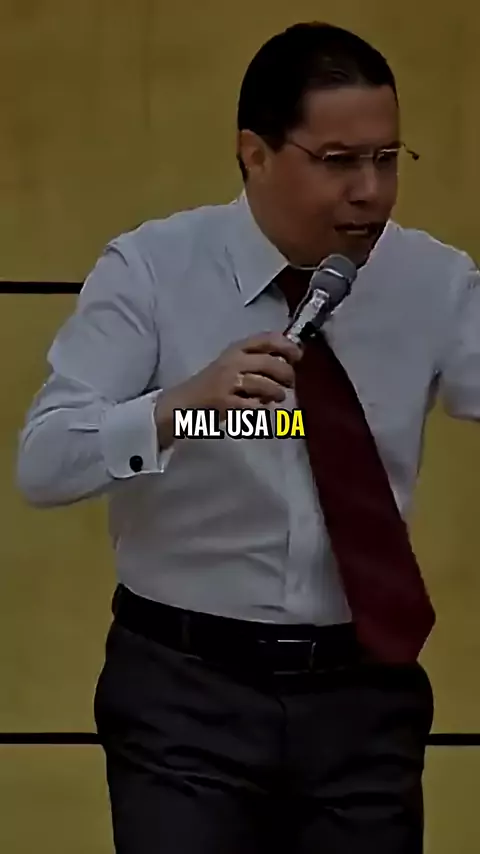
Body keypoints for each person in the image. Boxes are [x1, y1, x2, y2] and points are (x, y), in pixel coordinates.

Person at [15, 20, 480, 854]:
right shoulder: (152, 270)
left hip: (364, 692)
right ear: (253, 153)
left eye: (387, 158)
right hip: (186, 693)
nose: (371, 191)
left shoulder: (433, 281)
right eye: (338, 161)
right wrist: (179, 407)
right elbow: (45, 461)